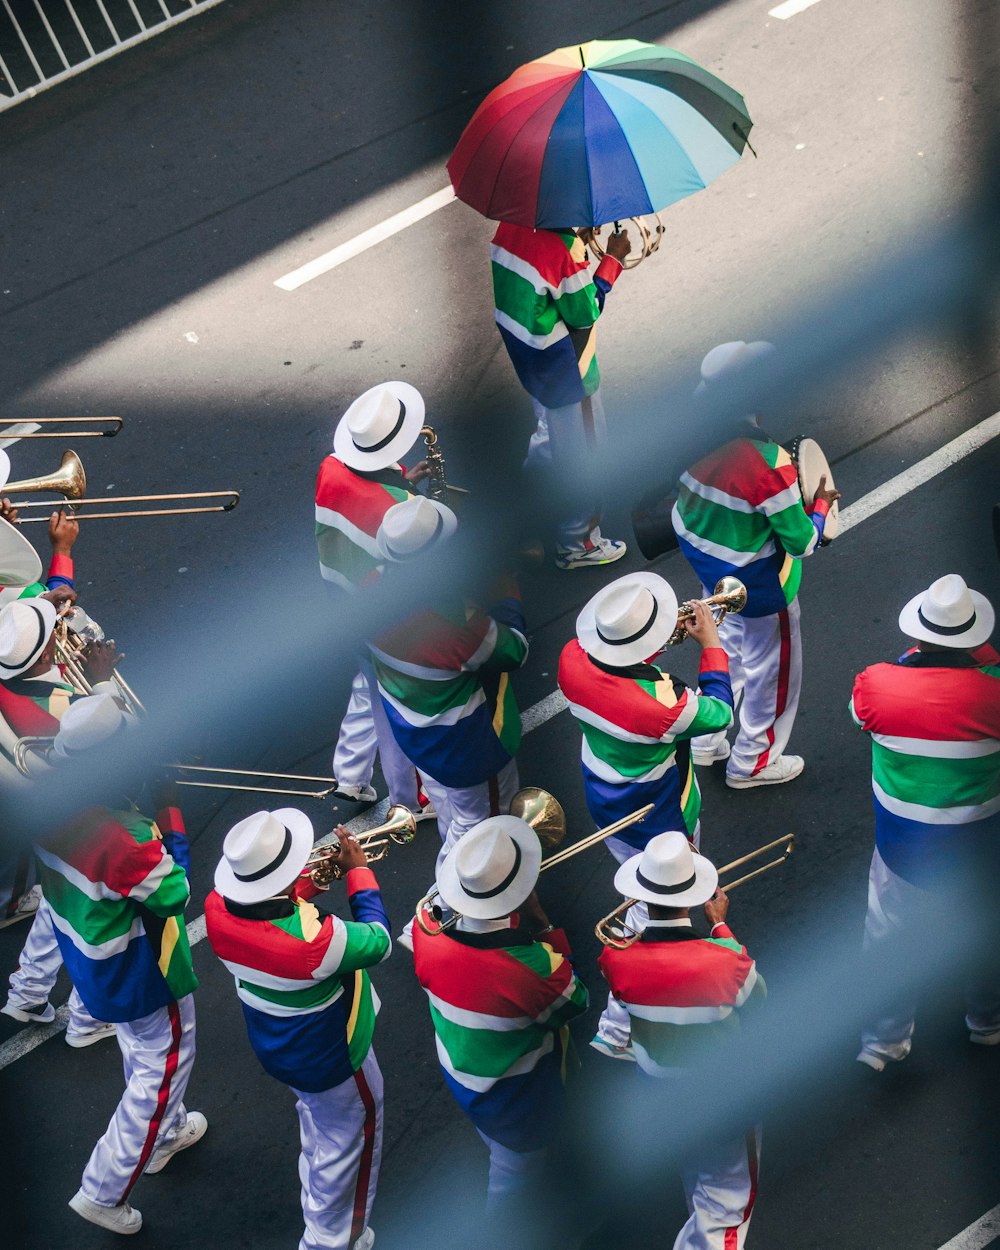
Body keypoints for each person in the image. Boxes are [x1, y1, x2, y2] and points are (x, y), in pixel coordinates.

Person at [32, 695, 204, 1235]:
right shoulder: (124, 836)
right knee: (164, 1063)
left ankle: (168, 1131)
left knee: (141, 1046)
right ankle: (103, 1189)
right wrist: (169, 811)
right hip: (138, 966)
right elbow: (175, 891)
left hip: (87, 954)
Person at [557, 571, 734, 1058]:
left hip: (604, 792)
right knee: (650, 905)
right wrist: (711, 644)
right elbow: (718, 711)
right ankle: (616, 1028)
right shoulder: (662, 708)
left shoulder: (571, 658)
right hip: (658, 809)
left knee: (640, 891)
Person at [205, 809, 390, 1250]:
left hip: (280, 1046)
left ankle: (318, 1201)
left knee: (320, 1127)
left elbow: (269, 906)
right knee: (354, 1142)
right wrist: (360, 873)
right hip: (333, 1055)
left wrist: (314, 880)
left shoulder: (215, 908)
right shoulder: (316, 942)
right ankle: (332, 1237)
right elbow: (378, 938)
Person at [671, 340, 839, 788]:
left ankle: (707, 740)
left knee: (725, 646)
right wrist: (820, 508)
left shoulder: (682, 428)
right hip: (761, 584)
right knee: (773, 672)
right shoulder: (767, 462)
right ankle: (753, 762)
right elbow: (802, 542)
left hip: (710, 566)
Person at [852, 574, 1000, 1070]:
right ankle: (988, 1024)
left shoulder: (875, 684)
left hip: (903, 852)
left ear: (919, 636)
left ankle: (883, 1043)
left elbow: (862, 714)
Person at [411, 816, 589, 1213]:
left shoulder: (424, 930)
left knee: (503, 1151)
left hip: (461, 1071)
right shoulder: (534, 968)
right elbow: (574, 999)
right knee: (511, 1183)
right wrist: (542, 923)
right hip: (516, 1099)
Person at [598, 831, 765, 1249]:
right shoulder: (726, 962)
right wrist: (721, 925)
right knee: (729, 1203)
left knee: (695, 1168)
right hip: (719, 1095)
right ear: (691, 900)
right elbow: (758, 996)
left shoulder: (616, 959)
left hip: (658, 1090)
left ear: (641, 896)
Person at [369, 496, 528, 866]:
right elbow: (514, 650)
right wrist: (505, 588)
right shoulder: (458, 627)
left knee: (450, 810)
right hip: (465, 747)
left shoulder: (371, 589)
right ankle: (454, 901)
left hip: (417, 730)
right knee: (480, 826)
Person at [316, 381, 431, 810]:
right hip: (388, 621)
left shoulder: (330, 469)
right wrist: (411, 497)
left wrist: (401, 479)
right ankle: (411, 799)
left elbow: (361, 484)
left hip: (344, 600)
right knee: (398, 709)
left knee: (368, 686)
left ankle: (350, 774)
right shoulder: (395, 508)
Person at [491, 220, 631, 569]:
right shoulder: (562, 249)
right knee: (586, 454)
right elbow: (586, 312)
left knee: (549, 429)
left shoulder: (508, 227)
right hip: (567, 369)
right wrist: (611, 261)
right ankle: (578, 542)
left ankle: (529, 495)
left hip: (529, 356)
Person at [0, 596, 120, 736]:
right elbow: (123, 731)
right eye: (49, 631)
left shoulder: (8, 658)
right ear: (45, 656)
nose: (55, 628)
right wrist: (102, 681)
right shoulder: (68, 712)